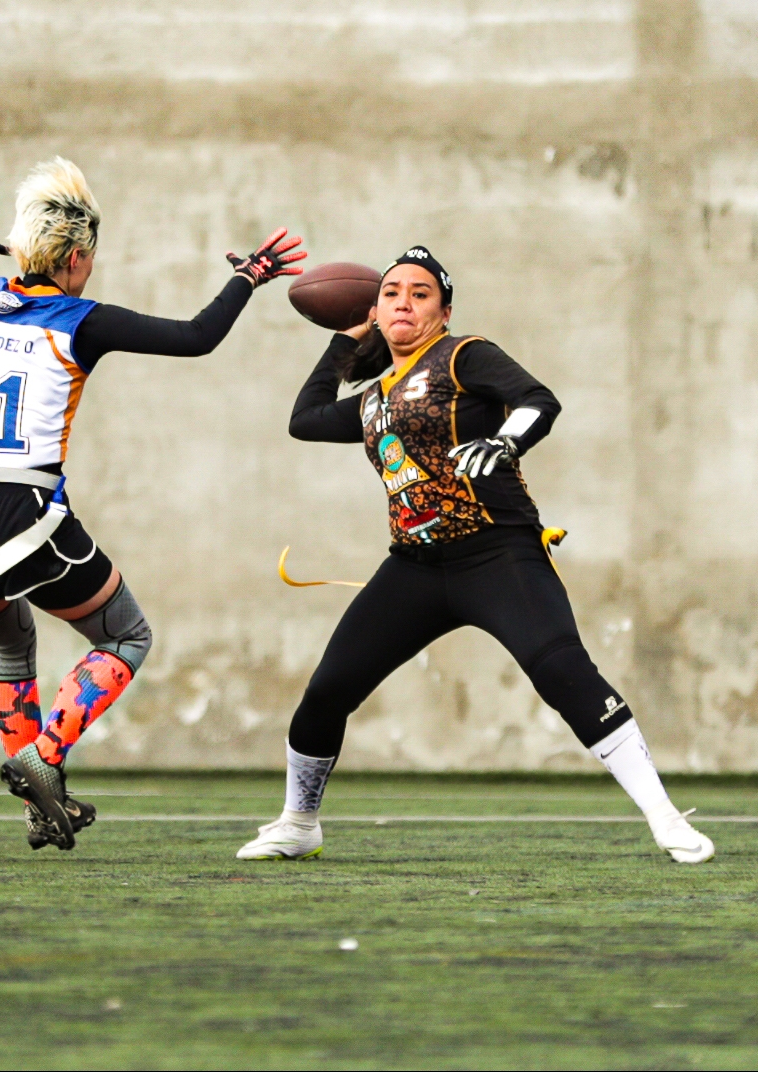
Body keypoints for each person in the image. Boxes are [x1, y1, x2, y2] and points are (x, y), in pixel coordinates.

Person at [237, 247, 712, 863]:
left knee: (563, 672)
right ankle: (299, 825)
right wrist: (345, 339)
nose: (404, 300)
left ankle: (665, 817)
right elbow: (303, 420)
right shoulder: (376, 395)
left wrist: (505, 442)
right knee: (328, 692)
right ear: (374, 310)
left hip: (497, 553)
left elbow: (539, 400)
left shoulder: (463, 354)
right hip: (415, 565)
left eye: (420, 292)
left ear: (444, 309)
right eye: (390, 293)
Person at [0, 159, 303, 849]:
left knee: (11, 643)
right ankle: (44, 755)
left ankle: (39, 806)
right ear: (71, 259)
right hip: (20, 512)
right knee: (125, 636)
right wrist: (246, 277)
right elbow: (195, 337)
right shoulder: (80, 319)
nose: (89, 270)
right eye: (87, 259)